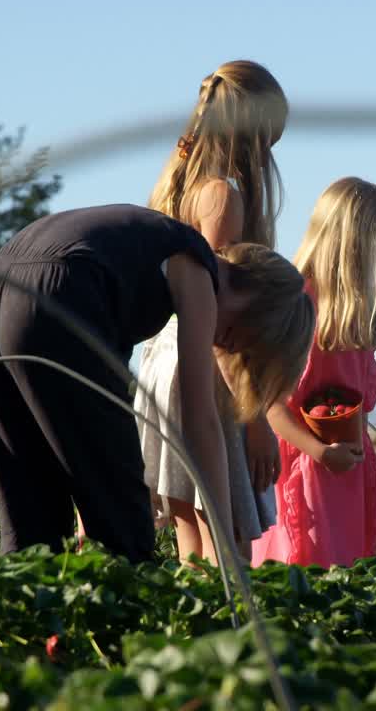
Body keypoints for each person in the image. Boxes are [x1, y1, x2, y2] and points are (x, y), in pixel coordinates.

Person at [0, 204, 314, 563]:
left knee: (30, 507)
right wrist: (225, 548)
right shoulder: (199, 270)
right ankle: (119, 613)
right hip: (59, 294)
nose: (226, 346)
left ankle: (23, 613)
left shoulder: (158, 244)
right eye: (237, 336)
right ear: (256, 297)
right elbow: (199, 420)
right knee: (123, 522)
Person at [134, 59, 290, 564]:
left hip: (162, 364)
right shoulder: (224, 196)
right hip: (202, 371)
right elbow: (220, 319)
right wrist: (257, 420)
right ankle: (234, 634)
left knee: (190, 539)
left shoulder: (178, 185)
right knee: (229, 541)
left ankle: (195, 631)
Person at [251, 177, 376, 568]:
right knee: (305, 566)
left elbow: (361, 406)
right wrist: (319, 450)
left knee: (346, 570)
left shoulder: (367, 309)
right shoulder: (297, 304)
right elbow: (270, 403)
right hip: (303, 465)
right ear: (351, 245)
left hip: (348, 468)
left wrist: (347, 456)